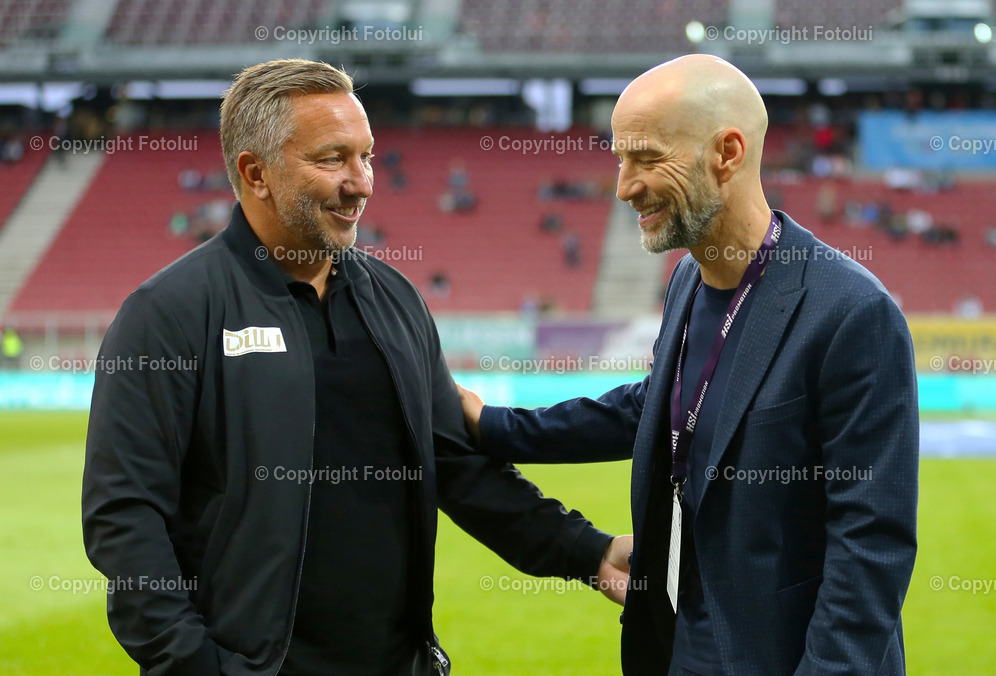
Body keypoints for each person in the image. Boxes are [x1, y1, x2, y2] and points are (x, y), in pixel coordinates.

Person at [82, 59, 630, 676]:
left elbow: (456, 465)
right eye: (333, 159)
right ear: (255, 173)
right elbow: (123, 517)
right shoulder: (169, 313)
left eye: (367, 156)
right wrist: (197, 666)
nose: (363, 182)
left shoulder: (395, 299)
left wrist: (589, 552)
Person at [459, 54, 918, 676]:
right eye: (620, 159)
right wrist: (496, 427)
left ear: (727, 152)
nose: (623, 186)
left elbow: (871, 546)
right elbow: (660, 404)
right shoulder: (687, 282)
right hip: (678, 644)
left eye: (646, 159)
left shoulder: (852, 311)